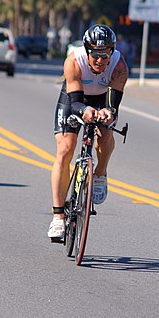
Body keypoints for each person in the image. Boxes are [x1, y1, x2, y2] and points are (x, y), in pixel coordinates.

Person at [48, 24, 128, 240]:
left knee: (106, 133)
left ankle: (100, 174)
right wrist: (84, 110)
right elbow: (74, 103)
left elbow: (113, 105)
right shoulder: (74, 61)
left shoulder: (119, 66)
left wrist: (108, 112)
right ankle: (57, 217)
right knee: (65, 150)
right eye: (96, 55)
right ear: (87, 51)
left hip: (102, 98)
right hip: (75, 99)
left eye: (106, 55)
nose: (101, 60)